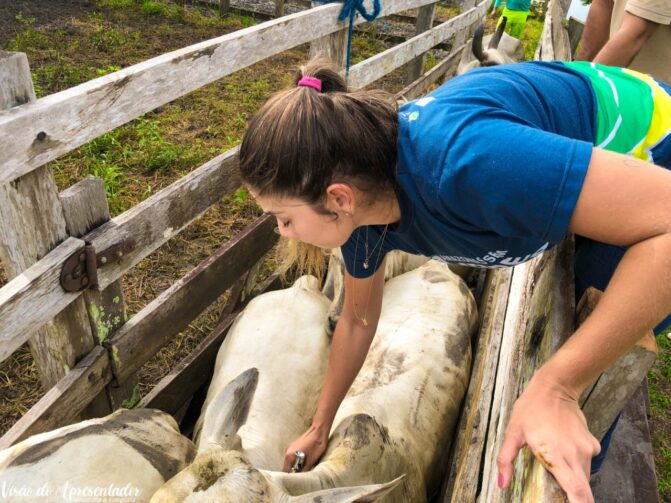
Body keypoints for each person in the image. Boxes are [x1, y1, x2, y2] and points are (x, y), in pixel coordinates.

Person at [238, 58, 671, 502]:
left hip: (653, 141)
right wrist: (318, 426)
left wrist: (557, 386)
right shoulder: (363, 219)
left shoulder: (465, 164)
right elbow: (357, 321)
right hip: (602, 162)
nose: (282, 233)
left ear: (338, 198)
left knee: (592, 343)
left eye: (284, 218)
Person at [575, 0, 671, 83]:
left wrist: (585, 89)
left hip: (655, 96)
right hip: (617, 86)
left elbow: (636, 33)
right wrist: (577, 73)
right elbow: (603, 5)